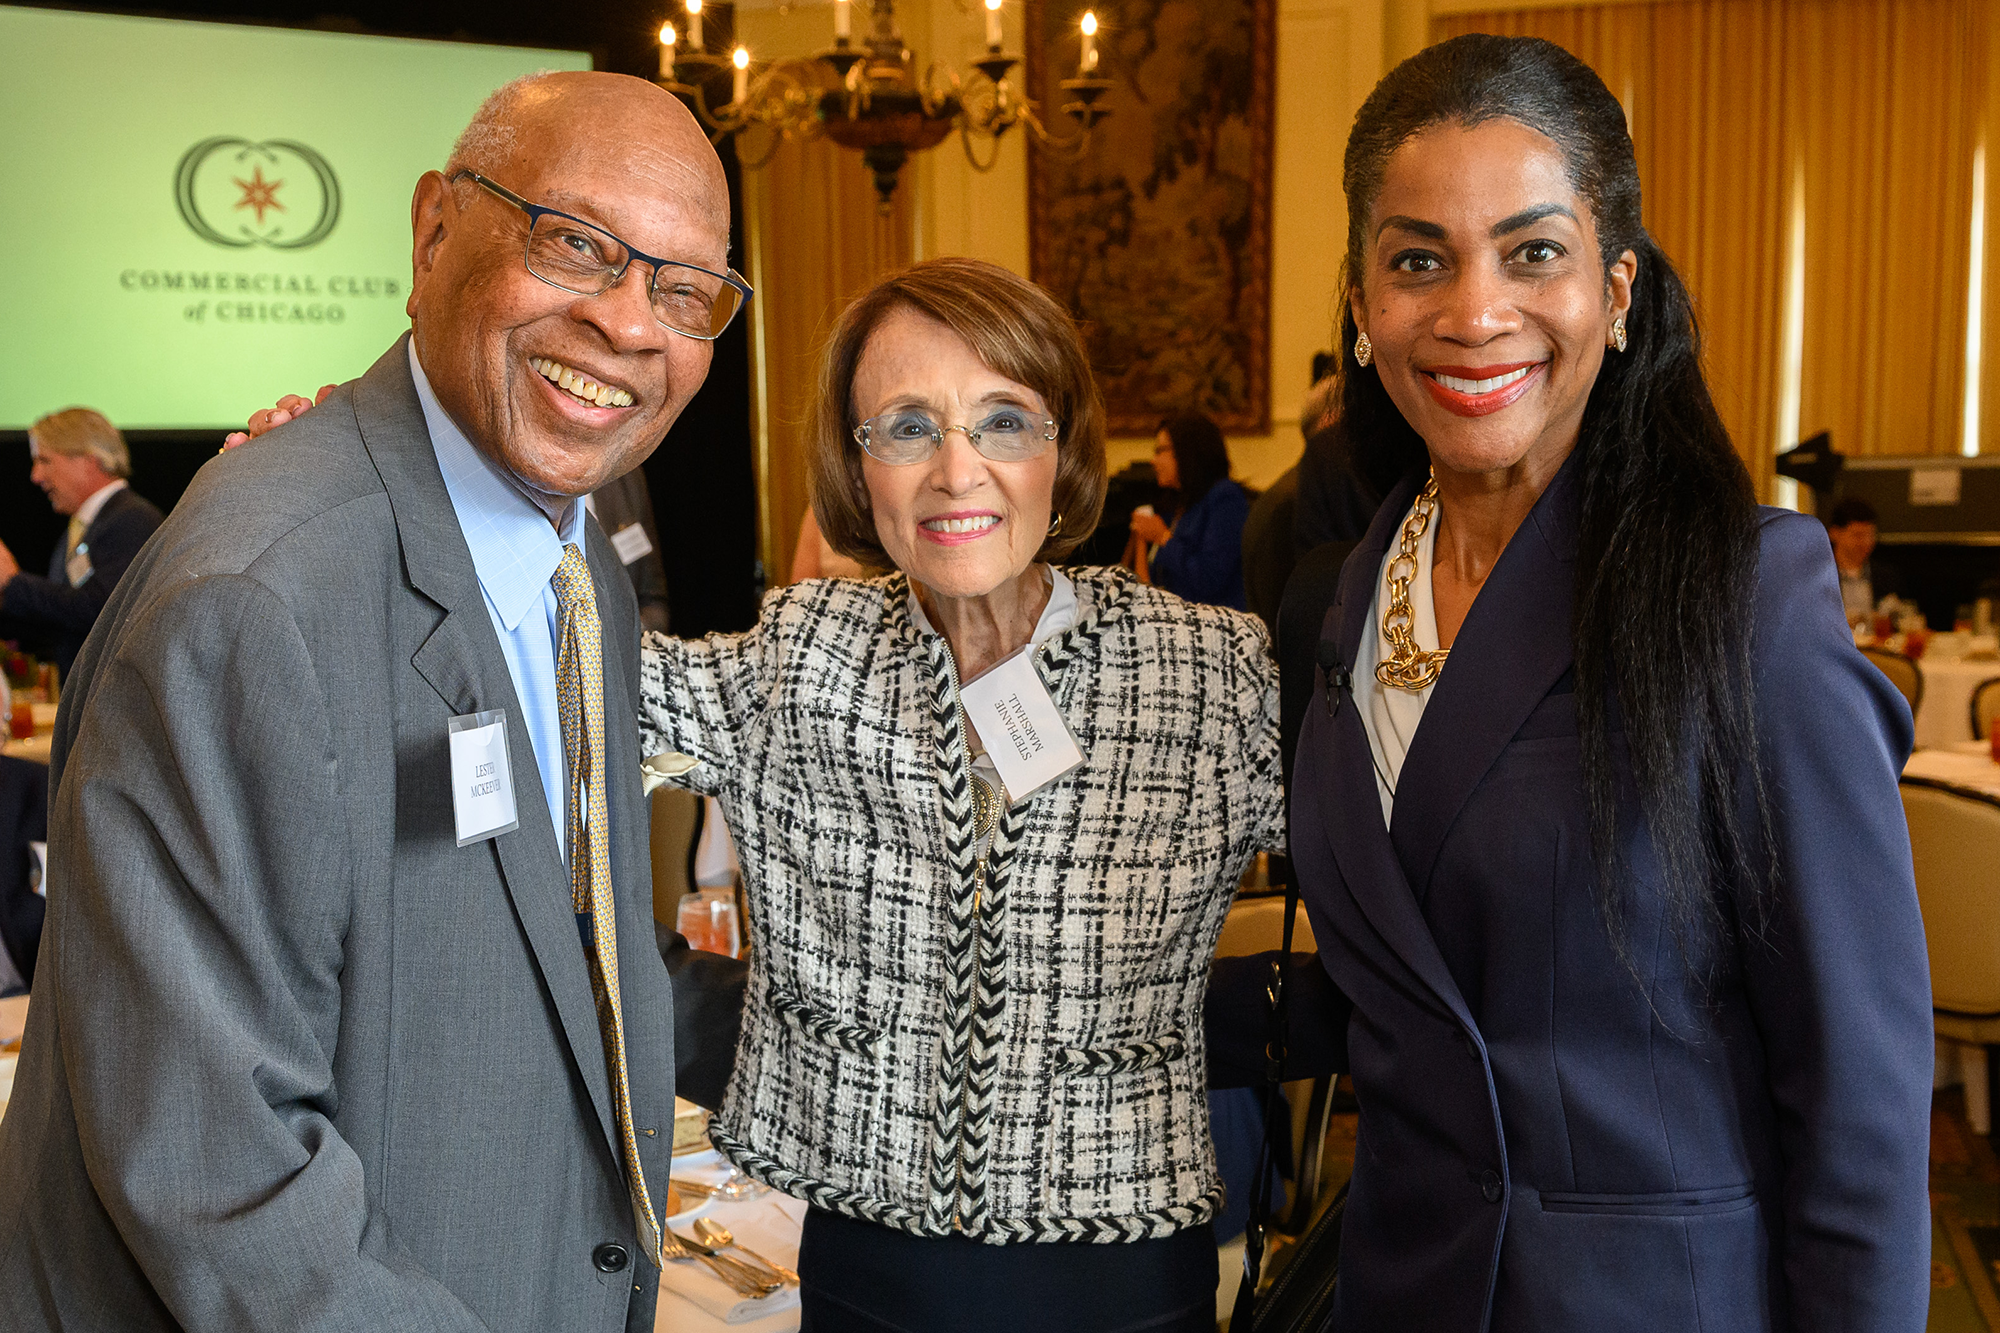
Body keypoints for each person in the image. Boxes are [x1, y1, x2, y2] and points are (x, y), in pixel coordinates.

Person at [0, 71, 749, 1333]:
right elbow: (220, 1171)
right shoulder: (256, 597)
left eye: (685, 290)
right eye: (576, 243)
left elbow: (551, 972)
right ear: (432, 231)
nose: (630, 323)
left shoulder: (579, 577)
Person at [1266, 35, 1930, 1331]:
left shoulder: (1745, 599)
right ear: (1359, 302)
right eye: (1417, 261)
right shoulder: (1344, 601)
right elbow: (1408, 998)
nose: (1473, 312)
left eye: (1532, 252)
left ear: (1615, 290)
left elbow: (1859, 1098)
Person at [639, 258, 1284, 1331]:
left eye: (1003, 420)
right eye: (905, 427)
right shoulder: (805, 656)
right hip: (867, 1267)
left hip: (1121, 1271)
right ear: (857, 469)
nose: (956, 470)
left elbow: (1419, 858)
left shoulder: (1207, 671)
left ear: (1061, 451)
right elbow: (573, 700)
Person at [0, 408, 164, 674]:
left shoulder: (133, 520)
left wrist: (13, 582)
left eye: (44, 460)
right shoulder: (79, 530)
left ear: (88, 459)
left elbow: (102, 612)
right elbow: (63, 623)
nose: (36, 476)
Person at [1130, 409, 1252, 609]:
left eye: (1161, 450)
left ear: (1187, 451)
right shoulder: (1180, 505)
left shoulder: (1225, 498)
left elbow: (1209, 579)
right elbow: (1147, 587)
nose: (1154, 461)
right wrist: (1143, 537)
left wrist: (1163, 537)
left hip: (1215, 619)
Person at [1825, 495, 1905, 625]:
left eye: (1870, 535)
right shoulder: (1818, 576)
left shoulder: (1885, 576)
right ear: (1834, 533)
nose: (1866, 542)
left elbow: (1898, 619)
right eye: (1858, 535)